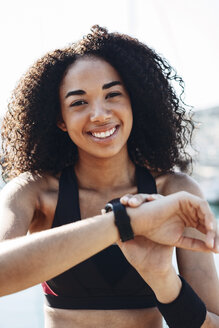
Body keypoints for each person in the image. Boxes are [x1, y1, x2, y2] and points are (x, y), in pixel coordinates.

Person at [0, 25, 218, 327]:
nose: (100, 114)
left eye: (113, 94)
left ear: (135, 102)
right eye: (79, 102)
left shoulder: (175, 192)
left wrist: (164, 280)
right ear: (60, 120)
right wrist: (126, 223)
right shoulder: (32, 191)